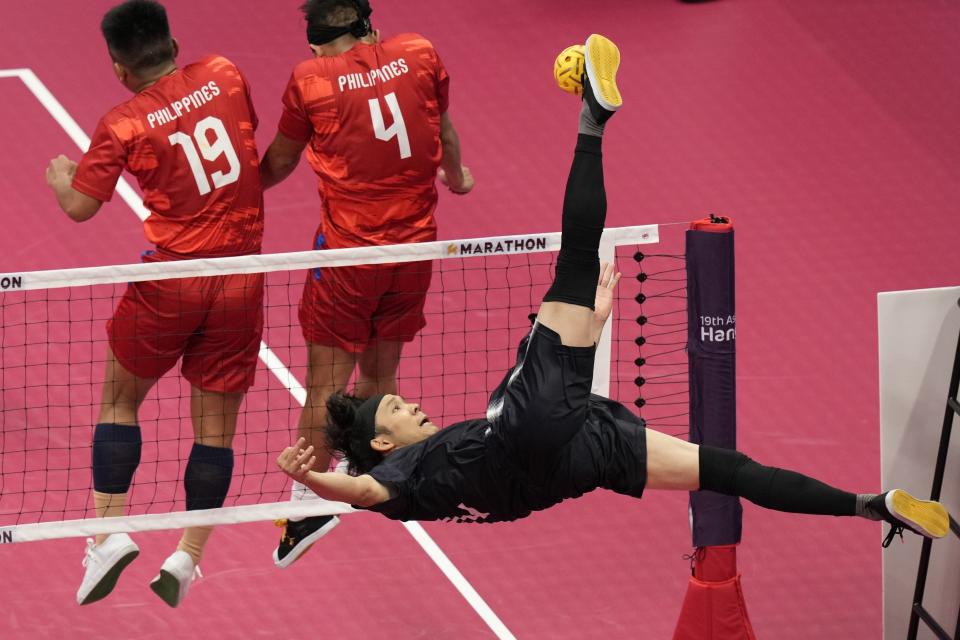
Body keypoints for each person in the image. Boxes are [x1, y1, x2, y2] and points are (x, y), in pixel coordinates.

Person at [276, 34, 951, 550]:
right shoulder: (394, 481)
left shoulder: (415, 485)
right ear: (385, 442)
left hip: (571, 464)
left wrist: (578, 337)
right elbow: (354, 487)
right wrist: (309, 480)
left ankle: (869, 504)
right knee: (574, 263)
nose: (411, 403)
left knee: (730, 471)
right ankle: (593, 117)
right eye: (395, 407)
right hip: (528, 428)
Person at [45, 0, 265, 607]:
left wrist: (61, 178)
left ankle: (109, 533)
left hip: (172, 282)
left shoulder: (123, 121)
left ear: (118, 67)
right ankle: (187, 558)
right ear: (174, 41)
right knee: (216, 428)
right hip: (244, 278)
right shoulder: (224, 71)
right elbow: (244, 148)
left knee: (120, 399)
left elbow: (81, 208)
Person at [259, 0, 473, 567]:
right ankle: (389, 478)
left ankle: (307, 504)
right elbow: (443, 129)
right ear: (370, 25)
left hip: (351, 257)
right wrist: (458, 174)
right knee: (381, 373)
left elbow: (279, 162)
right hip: (416, 250)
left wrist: (235, 192)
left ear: (314, 44)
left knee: (324, 384)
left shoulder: (310, 79)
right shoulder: (419, 52)